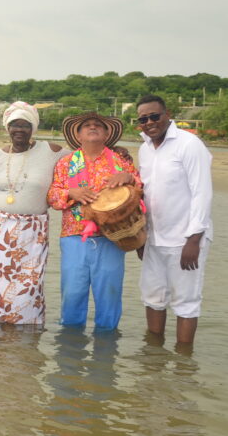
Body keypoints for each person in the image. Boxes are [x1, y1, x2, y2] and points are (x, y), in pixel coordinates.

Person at [0, 101, 66, 325]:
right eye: (14, 125)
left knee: (28, 287)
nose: (19, 130)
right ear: (7, 128)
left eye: (25, 125)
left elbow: (84, 157)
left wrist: (114, 151)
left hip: (32, 235)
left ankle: (24, 332)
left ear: (33, 128)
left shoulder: (51, 151)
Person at [47, 111, 140, 331]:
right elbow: (52, 195)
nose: (92, 127)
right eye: (86, 125)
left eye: (98, 124)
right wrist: (72, 193)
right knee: (72, 294)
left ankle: (106, 351)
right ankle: (69, 352)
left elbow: (140, 189)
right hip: (73, 237)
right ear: (78, 135)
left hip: (112, 237)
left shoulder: (121, 161)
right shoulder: (65, 163)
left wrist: (129, 177)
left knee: (109, 295)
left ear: (107, 133)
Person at [135, 95, 213, 347]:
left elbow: (202, 192)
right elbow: (144, 195)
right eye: (143, 119)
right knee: (153, 297)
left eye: (154, 116)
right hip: (154, 238)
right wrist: (141, 237)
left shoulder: (189, 144)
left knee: (186, 302)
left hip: (185, 239)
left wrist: (194, 238)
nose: (149, 122)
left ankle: (183, 362)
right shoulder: (144, 149)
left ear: (167, 114)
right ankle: (154, 357)